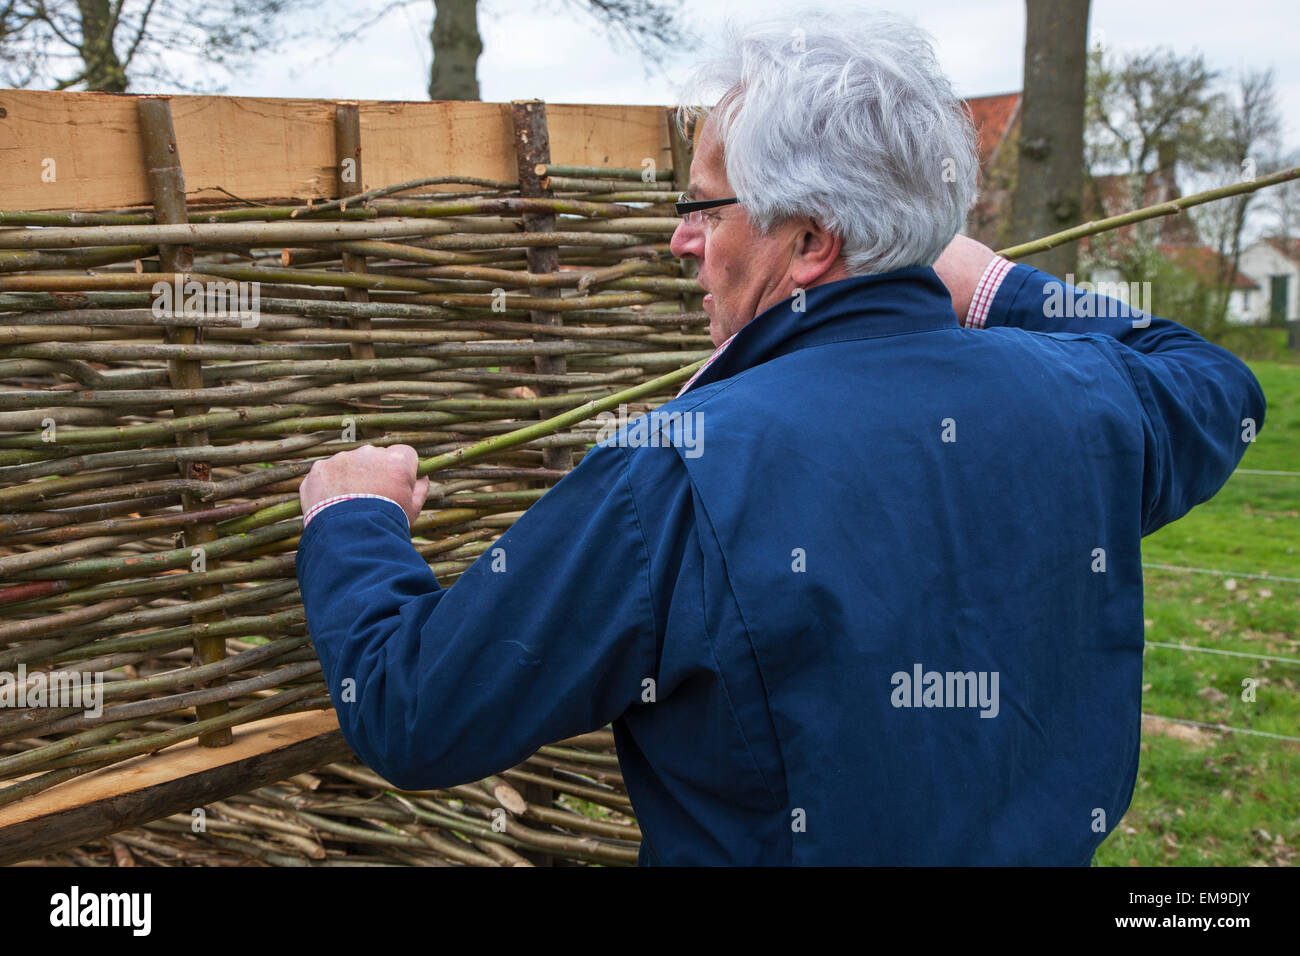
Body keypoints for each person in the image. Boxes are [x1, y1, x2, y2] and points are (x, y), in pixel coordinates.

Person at [294, 8, 1266, 864]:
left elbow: (415, 708)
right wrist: (984, 278)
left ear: (809, 242)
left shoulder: (685, 467)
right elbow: (1219, 385)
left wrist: (353, 520)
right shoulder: (1089, 398)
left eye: (704, 204)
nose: (680, 238)